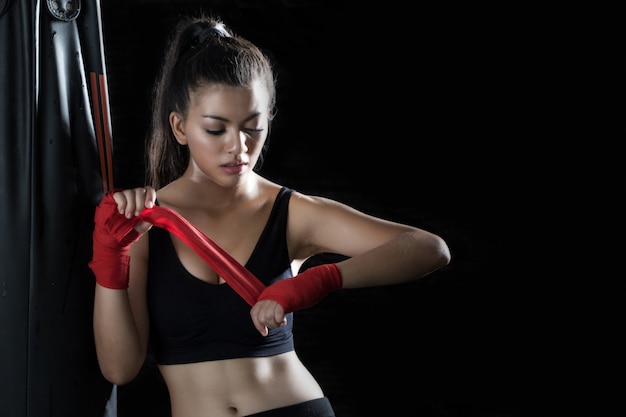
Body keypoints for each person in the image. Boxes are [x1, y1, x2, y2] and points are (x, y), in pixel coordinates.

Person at [89, 12, 451, 417]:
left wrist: (321, 279)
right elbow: (119, 368)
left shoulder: (290, 211)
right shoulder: (144, 224)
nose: (238, 147)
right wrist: (110, 261)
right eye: (216, 129)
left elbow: (429, 248)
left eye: (253, 127)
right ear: (179, 127)